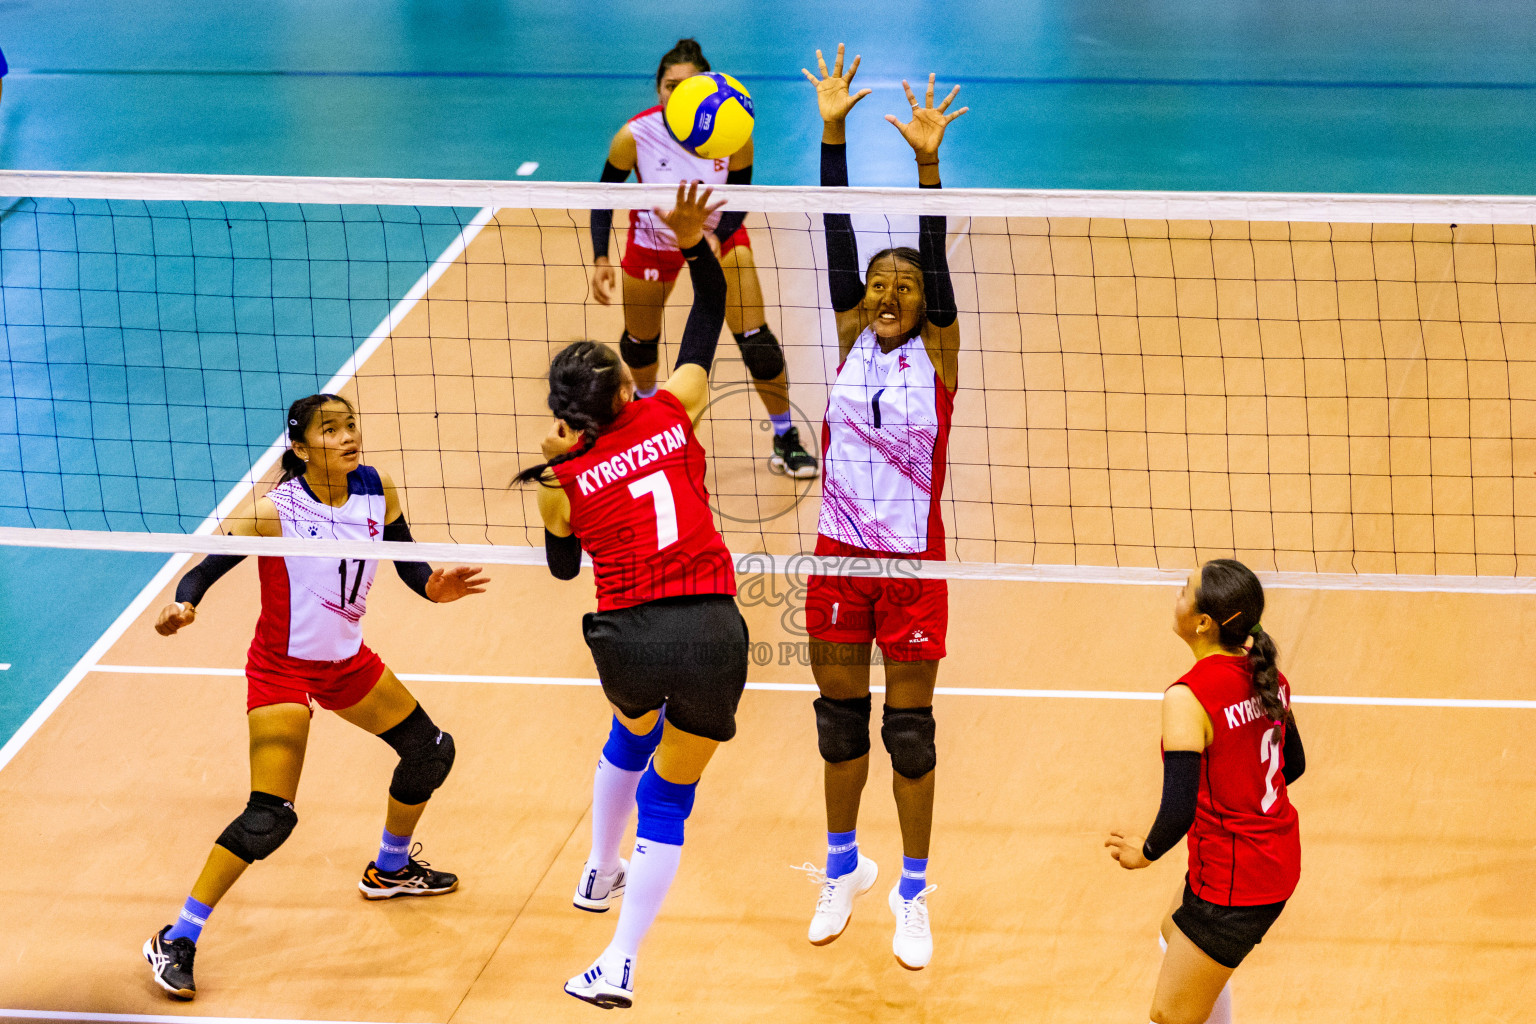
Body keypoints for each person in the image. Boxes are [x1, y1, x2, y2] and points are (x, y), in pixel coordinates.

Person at [143, 395, 488, 1000]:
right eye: (330, 430)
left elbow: (407, 563)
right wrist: (184, 604)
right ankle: (178, 936)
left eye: (352, 424)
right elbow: (204, 569)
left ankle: (391, 868)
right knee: (268, 818)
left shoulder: (378, 486)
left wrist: (435, 587)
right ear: (300, 449)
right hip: (281, 671)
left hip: (346, 664)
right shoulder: (275, 511)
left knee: (430, 753)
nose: (349, 436)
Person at [518, 182, 749, 1009]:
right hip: (715, 629)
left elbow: (560, 568)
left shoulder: (560, 477)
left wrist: (563, 470)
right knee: (672, 797)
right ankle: (618, 958)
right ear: (623, 390)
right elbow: (708, 312)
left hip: (628, 637)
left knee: (629, 731)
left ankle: (598, 868)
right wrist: (694, 241)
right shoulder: (671, 411)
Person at [797, 46, 967, 971]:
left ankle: (911, 891)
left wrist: (926, 163)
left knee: (908, 736)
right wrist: (833, 131)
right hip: (837, 559)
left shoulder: (936, 356)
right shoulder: (852, 338)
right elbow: (834, 236)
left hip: (911, 567)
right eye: (879, 285)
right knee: (837, 724)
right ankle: (839, 869)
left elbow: (932, 263)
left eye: (904, 285)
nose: (890, 292)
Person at [588, 37, 818, 479]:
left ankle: (785, 436)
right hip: (654, 239)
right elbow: (604, 195)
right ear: (658, 90)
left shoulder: (732, 133)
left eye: (689, 85)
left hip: (717, 237)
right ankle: (650, 426)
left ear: (708, 89)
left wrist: (720, 235)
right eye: (670, 85)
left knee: (758, 343)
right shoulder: (634, 135)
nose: (678, 94)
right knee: (638, 346)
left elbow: (741, 193)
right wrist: (601, 257)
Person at [1105, 559, 1306, 1024]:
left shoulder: (1188, 697)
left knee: (1170, 1015)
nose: (1176, 594)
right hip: (1270, 857)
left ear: (1202, 623)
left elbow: (1177, 807)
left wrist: (1146, 851)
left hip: (1236, 883)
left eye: (1183, 589)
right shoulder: (1268, 677)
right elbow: (1290, 766)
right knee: (1170, 935)